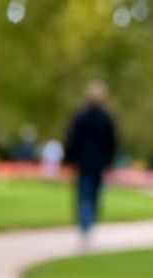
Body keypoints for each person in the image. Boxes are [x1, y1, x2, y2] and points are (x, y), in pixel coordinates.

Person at [64, 83, 118, 247]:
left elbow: (73, 139)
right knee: (93, 194)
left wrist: (69, 158)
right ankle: (88, 224)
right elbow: (112, 143)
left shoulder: (81, 116)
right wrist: (109, 161)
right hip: (98, 163)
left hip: (83, 162)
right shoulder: (106, 118)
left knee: (84, 194)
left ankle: (84, 225)